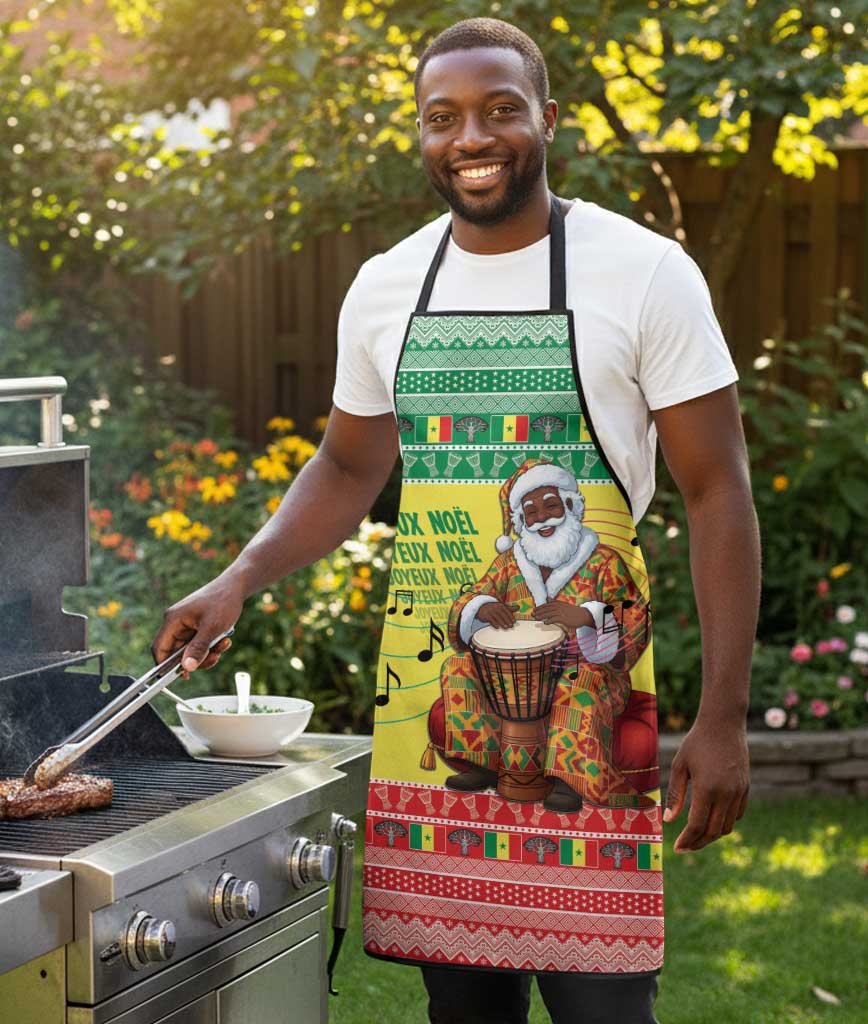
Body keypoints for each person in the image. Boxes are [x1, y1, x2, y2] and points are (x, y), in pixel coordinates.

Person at [152, 17, 760, 1024]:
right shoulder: (387, 284)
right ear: (421, 136)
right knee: (461, 1011)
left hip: (599, 712)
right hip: (437, 707)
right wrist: (241, 576)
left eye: (499, 110)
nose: (470, 137)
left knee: (605, 1005)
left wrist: (725, 716)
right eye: (443, 118)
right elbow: (350, 466)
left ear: (548, 121)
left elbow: (716, 491)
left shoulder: (643, 271)